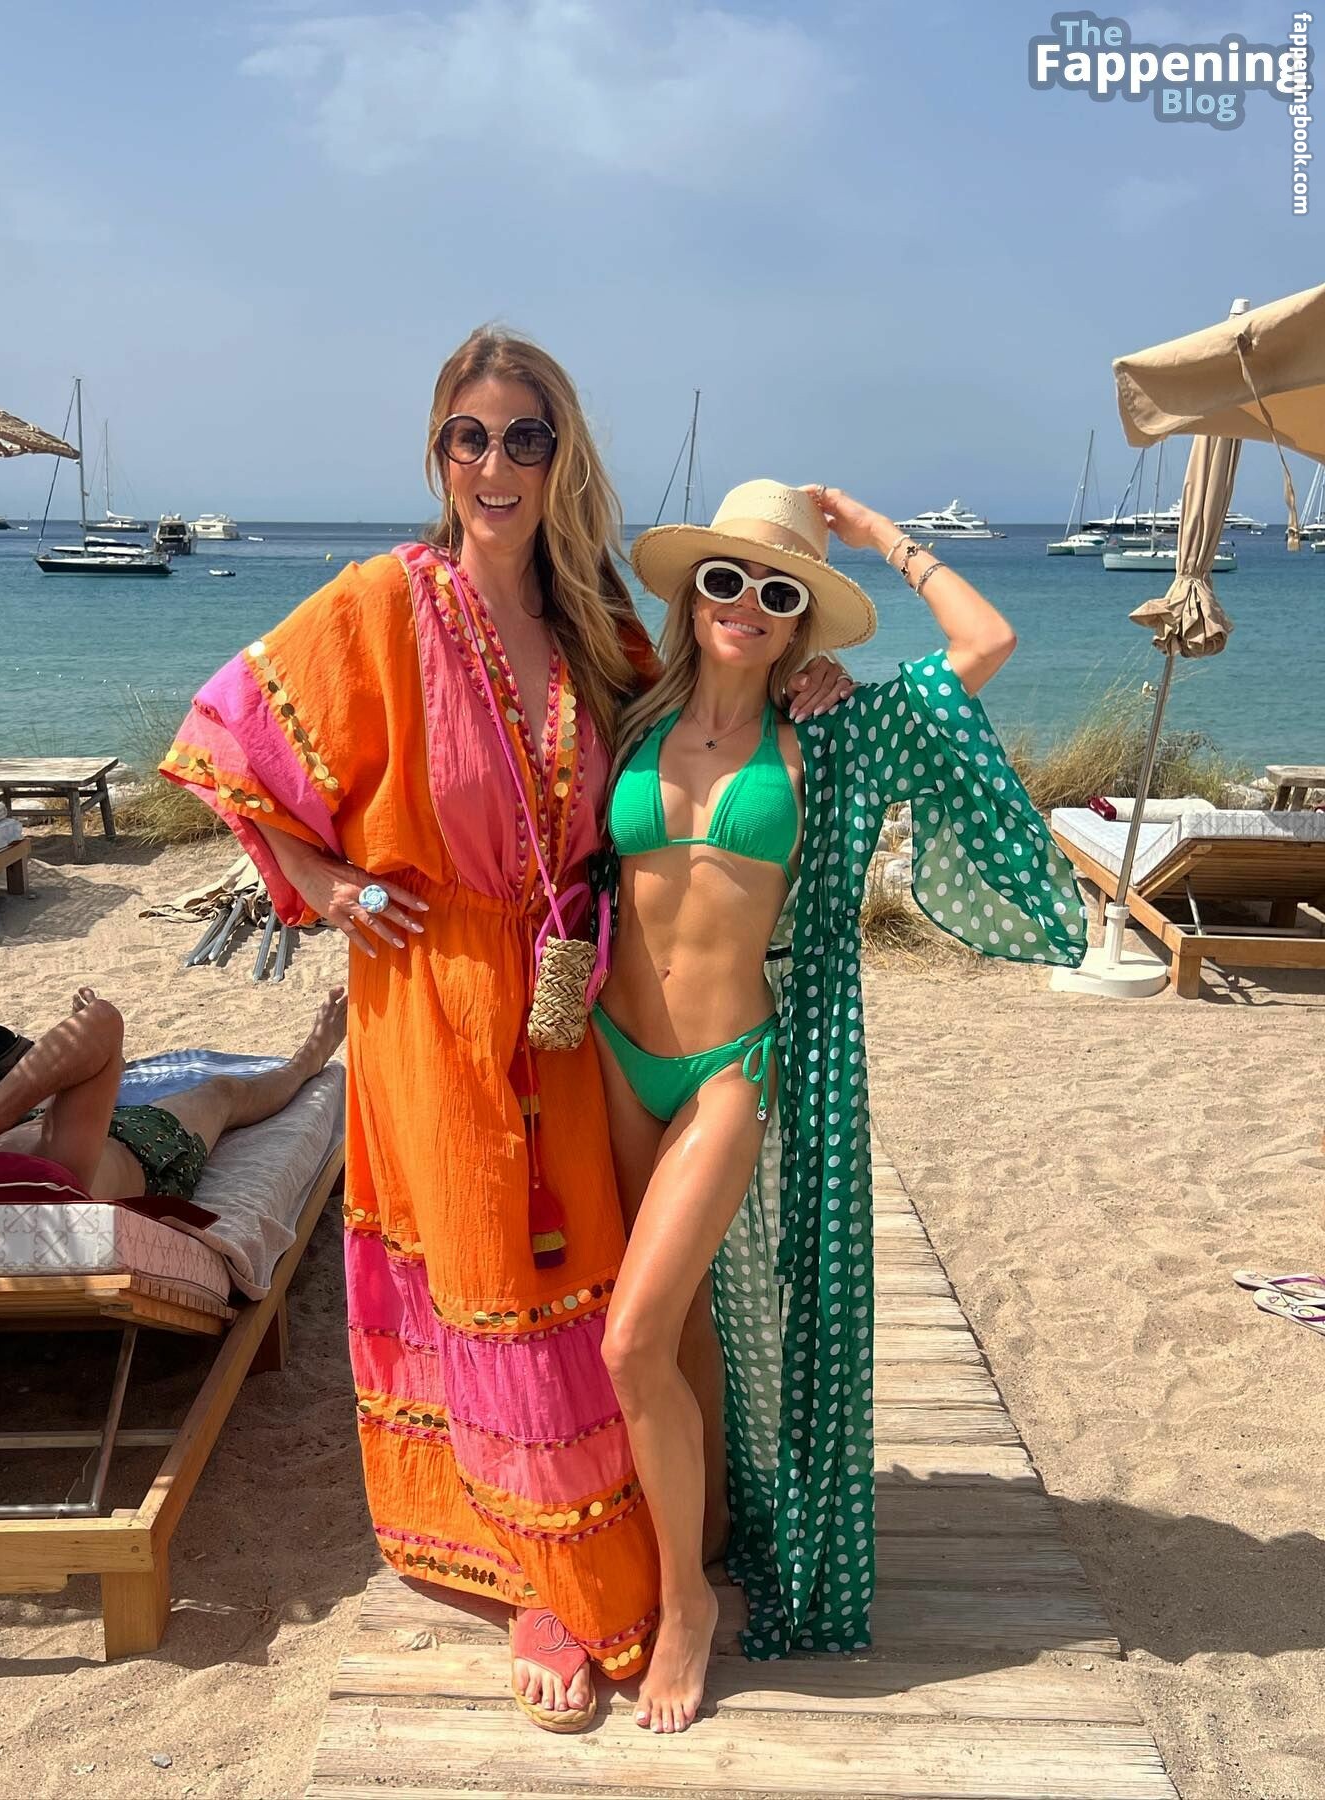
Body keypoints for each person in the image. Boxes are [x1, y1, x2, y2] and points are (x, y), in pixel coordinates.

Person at [157, 330, 852, 1732]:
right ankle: (545, 1584)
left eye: (524, 438)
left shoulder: (599, 622)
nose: (495, 463)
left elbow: (709, 702)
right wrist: (327, 885)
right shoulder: (380, 604)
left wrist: (799, 684)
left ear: (559, 457)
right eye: (469, 436)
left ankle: (643, 1536)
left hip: (570, 1005)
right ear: (439, 453)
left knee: (583, 1283)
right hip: (431, 1001)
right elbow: (226, 741)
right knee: (485, 1278)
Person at [594, 479, 1088, 1733]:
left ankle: (687, 1610)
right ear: (690, 594)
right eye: (726, 580)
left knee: (629, 1342)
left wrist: (879, 538)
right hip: (612, 1056)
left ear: (802, 619)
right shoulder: (627, 711)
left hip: (728, 1070)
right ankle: (703, 1540)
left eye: (779, 591)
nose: (747, 605)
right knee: (680, 1333)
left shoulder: (835, 735)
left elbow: (984, 643)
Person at [0, 987, 346, 1195]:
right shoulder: (41, 1166)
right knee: (223, 1093)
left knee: (56, 1085)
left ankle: (96, 1069)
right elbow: (104, 1019)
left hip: (58, 1129)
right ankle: (307, 1060)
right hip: (144, 1150)